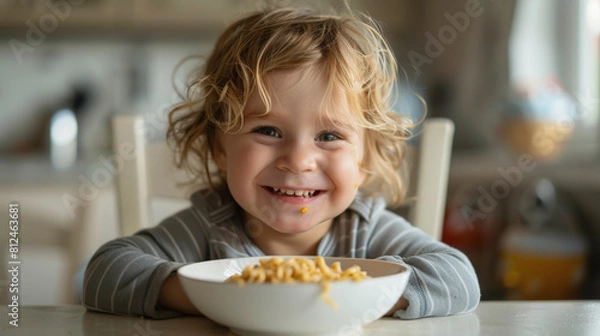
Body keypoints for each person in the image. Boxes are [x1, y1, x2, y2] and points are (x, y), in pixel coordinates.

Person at [83, 6, 480, 320]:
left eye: (329, 136)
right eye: (269, 131)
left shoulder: (365, 231)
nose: (298, 161)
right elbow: (105, 272)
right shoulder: (211, 226)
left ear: (364, 162)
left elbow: (458, 280)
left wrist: (353, 293)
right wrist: (215, 297)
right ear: (220, 147)